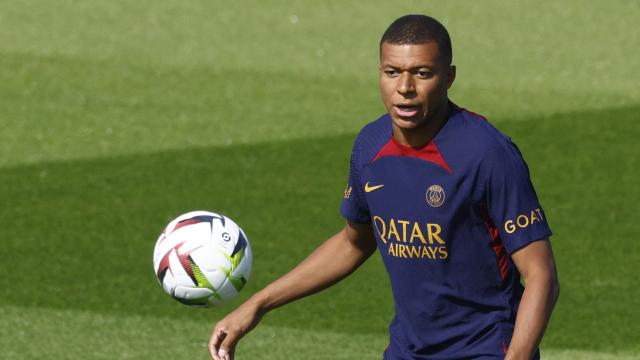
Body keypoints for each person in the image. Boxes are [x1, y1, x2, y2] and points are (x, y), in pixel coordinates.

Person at [209, 14, 559, 360]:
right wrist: (257, 306)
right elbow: (353, 242)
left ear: (449, 77)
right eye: (393, 72)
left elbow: (541, 275)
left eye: (422, 73)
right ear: (380, 74)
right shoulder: (370, 146)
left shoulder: (487, 153)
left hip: (483, 351)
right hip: (406, 352)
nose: (405, 88)